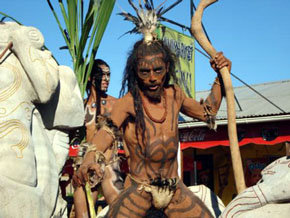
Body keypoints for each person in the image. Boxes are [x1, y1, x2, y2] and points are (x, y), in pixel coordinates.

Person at [73, 35, 231, 217]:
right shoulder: (129, 102)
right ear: (135, 71)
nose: (153, 78)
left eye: (158, 70)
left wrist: (221, 75)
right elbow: (106, 132)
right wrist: (89, 158)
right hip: (140, 189)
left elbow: (207, 112)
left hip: (174, 189)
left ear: (167, 68)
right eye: (145, 72)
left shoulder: (175, 95)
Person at [73, 59, 124, 218]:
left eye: (108, 75)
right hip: (85, 166)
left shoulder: (116, 104)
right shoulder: (80, 107)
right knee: (83, 215)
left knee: (120, 211)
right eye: (101, 75)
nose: (106, 79)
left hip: (109, 163)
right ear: (89, 78)